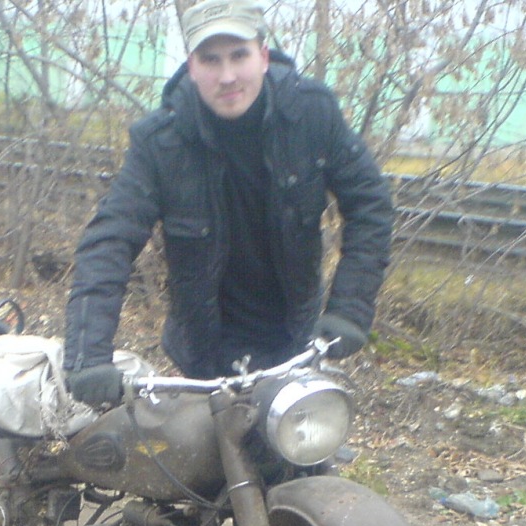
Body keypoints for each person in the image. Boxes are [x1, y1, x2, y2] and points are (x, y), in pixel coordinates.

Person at [63, 0, 393, 405]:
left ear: (263, 56)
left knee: (302, 441)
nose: (227, 76)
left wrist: (349, 308)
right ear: (192, 66)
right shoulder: (160, 142)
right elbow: (110, 240)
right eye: (211, 60)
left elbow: (370, 204)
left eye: (239, 55)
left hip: (296, 341)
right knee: (200, 445)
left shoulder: (311, 115)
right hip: (203, 350)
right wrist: (88, 355)